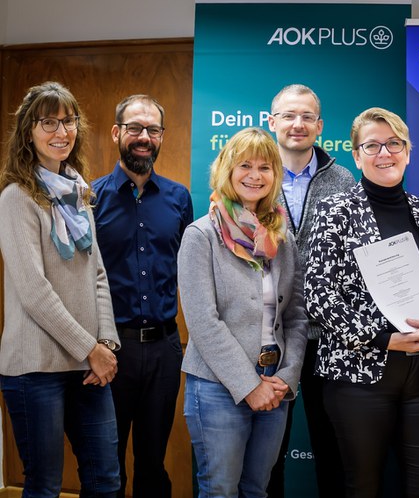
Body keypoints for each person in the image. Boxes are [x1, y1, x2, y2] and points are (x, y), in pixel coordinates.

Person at [304, 107, 419, 498]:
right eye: (372, 146)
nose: (384, 153)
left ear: (408, 151)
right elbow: (319, 294)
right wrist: (384, 339)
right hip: (357, 378)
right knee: (362, 488)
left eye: (394, 144)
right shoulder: (334, 211)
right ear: (357, 156)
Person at [0, 81, 120, 496]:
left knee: (106, 480)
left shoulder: (78, 194)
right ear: (28, 132)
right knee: (45, 485)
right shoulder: (16, 198)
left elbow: (98, 275)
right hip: (36, 369)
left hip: (88, 366)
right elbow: (34, 290)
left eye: (68, 121)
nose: (61, 131)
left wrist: (105, 343)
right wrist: (90, 348)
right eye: (48, 122)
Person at [178, 127, 308, 497]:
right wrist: (249, 386)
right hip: (217, 386)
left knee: (257, 490)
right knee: (220, 490)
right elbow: (203, 321)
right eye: (245, 166)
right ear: (228, 171)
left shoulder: (282, 238)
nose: (255, 175)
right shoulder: (201, 235)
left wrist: (288, 375)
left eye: (265, 167)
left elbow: (296, 315)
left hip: (275, 383)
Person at [92, 94, 193, 498]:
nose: (144, 137)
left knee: (153, 464)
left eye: (152, 129)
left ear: (161, 137)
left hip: (165, 349)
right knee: (107, 467)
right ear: (116, 133)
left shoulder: (179, 198)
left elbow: (191, 271)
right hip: (109, 350)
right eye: (134, 128)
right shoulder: (90, 199)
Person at [266, 83, 354, 498]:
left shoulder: (343, 179)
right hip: (269, 335)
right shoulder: (254, 176)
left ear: (320, 126)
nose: (297, 124)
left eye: (306, 116)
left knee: (332, 449)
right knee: (268, 451)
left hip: (328, 336)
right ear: (272, 122)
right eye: (288, 115)